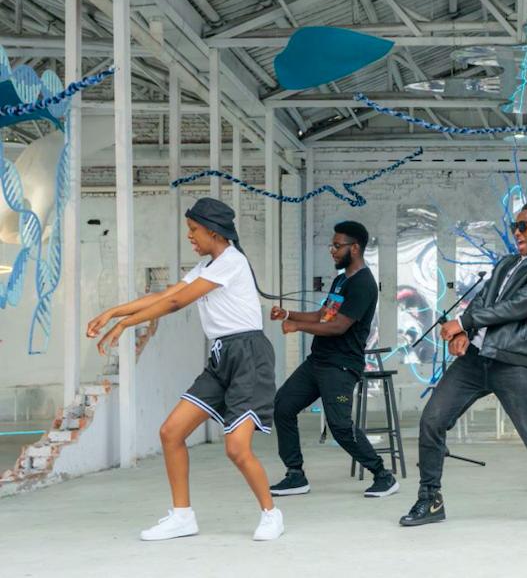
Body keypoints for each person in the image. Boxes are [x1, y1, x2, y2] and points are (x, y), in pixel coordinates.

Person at [87, 197, 283, 541]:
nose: (190, 236)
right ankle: (182, 516)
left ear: (214, 232)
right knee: (171, 432)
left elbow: (177, 302)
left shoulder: (232, 261)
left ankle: (271, 514)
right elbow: (169, 293)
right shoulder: (208, 265)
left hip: (248, 356)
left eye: (194, 230)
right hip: (222, 356)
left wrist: (126, 324)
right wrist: (114, 312)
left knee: (236, 448)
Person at [399, 199, 527, 527]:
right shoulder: (507, 263)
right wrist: (465, 333)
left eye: (523, 226)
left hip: (513, 362)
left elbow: (517, 306)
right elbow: (483, 300)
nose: (516, 232)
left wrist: (463, 323)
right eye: (515, 226)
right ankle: (430, 499)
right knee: (432, 420)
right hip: (475, 360)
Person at [268, 221, 397, 498]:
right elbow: (323, 316)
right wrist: (288, 315)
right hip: (318, 361)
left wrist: (297, 327)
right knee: (283, 406)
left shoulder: (363, 284)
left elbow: (339, 326)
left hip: (341, 365)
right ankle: (295, 475)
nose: (332, 250)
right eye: (332, 245)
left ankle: (383, 476)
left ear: (355, 248)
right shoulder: (341, 280)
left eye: (337, 246)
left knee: (340, 426)